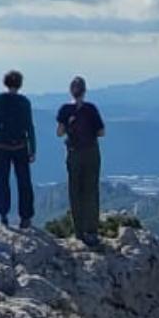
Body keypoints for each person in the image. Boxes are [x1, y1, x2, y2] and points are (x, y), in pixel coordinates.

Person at [56, 76, 105, 245]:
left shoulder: (65, 109)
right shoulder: (91, 109)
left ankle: (79, 231)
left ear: (71, 91)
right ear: (85, 91)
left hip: (74, 152)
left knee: (75, 191)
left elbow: (60, 132)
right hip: (91, 151)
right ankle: (92, 230)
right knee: (91, 191)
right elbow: (101, 132)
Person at [0, 69, 35, 228]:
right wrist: (32, 149)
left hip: (0, 145)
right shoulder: (25, 102)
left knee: (1, 180)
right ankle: (25, 217)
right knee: (24, 182)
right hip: (20, 145)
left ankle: (3, 214)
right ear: (20, 84)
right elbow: (30, 127)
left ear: (5, 83)